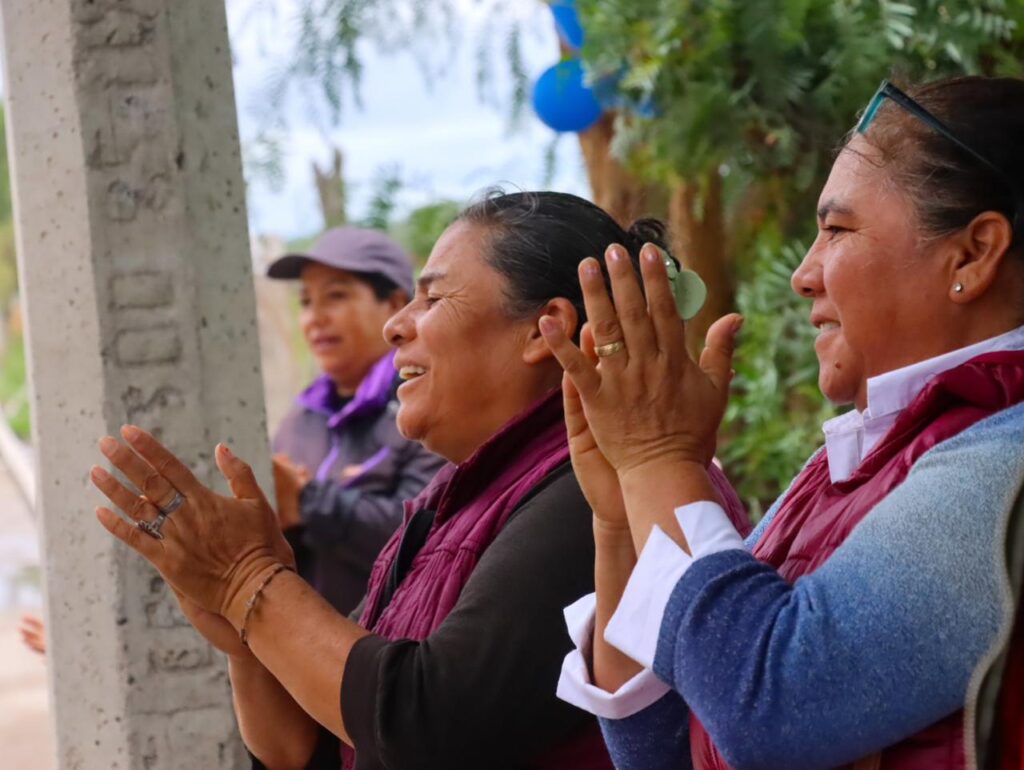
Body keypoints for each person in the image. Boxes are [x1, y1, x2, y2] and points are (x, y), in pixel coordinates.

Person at [88, 191, 749, 770]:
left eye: (432, 297)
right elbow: (311, 746)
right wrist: (244, 634)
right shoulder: (456, 495)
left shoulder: (599, 489)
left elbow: (427, 726)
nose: (395, 325)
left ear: (547, 328)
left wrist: (250, 582)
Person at [546, 76, 1024, 769]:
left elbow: (770, 709)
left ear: (974, 254)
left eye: (836, 229)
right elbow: (664, 749)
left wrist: (659, 456)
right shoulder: (857, 460)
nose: (804, 274)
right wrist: (622, 520)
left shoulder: (1006, 459)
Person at [266, 227, 444, 614]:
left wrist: (306, 503)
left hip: (392, 652)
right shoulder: (299, 420)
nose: (316, 318)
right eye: (307, 302)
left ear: (395, 303)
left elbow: (432, 536)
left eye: (336, 296)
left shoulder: (429, 407)